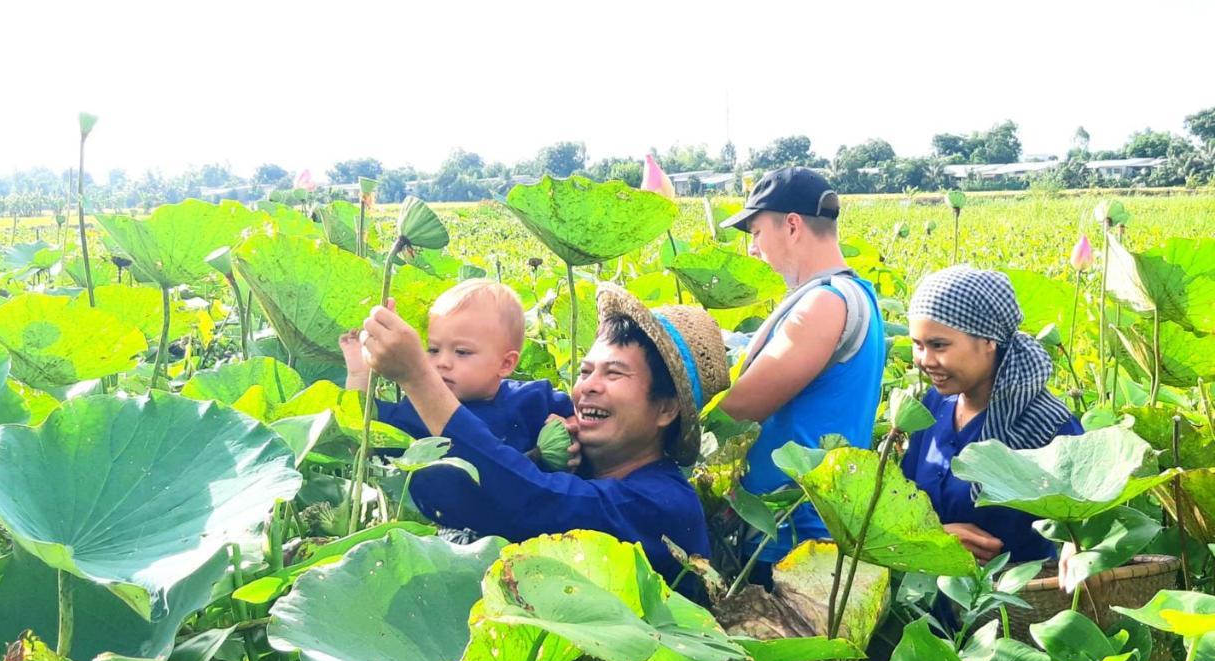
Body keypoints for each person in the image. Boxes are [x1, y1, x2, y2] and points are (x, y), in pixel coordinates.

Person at [355, 282, 730, 584]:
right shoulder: (563, 442)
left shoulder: (664, 503)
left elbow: (533, 502)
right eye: (585, 372)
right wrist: (360, 380)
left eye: (614, 374)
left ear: (666, 408)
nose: (588, 387)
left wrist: (419, 377)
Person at [717, 168, 887, 580]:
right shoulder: (855, 295)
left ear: (792, 225)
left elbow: (741, 407)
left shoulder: (825, 304)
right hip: (793, 532)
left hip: (794, 540)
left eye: (756, 233)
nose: (754, 250)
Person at [901, 266, 1083, 563]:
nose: (925, 360)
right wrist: (935, 538)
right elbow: (900, 503)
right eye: (917, 345)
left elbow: (1091, 520)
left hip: (1024, 601)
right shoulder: (933, 405)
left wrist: (1077, 549)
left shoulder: (1048, 424)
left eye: (938, 345)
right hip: (923, 599)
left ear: (988, 341)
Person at [339, 279, 576, 467]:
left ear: (506, 364)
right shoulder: (415, 411)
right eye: (433, 349)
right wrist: (359, 374)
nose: (443, 362)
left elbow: (586, 420)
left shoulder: (534, 399)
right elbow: (363, 432)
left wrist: (568, 428)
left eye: (461, 352)